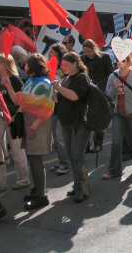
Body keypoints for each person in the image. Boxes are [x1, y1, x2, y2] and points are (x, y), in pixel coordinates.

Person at [3, 54, 54, 210]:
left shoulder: (44, 83)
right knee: (32, 159)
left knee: (36, 160)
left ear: (32, 67)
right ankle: (37, 190)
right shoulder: (31, 81)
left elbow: (48, 108)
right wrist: (8, 85)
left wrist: (35, 125)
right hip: (29, 123)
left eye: (26, 64)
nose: (24, 66)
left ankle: (41, 195)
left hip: (37, 125)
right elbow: (19, 101)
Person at [103, 53, 132, 179]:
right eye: (118, 60)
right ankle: (114, 171)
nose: (119, 62)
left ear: (129, 62)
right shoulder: (113, 76)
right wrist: (114, 90)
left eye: (123, 60)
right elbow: (108, 95)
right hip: (118, 113)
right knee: (116, 142)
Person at [54, 52, 91, 203]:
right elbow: (61, 98)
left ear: (75, 63)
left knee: (77, 155)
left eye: (66, 65)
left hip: (80, 123)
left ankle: (83, 189)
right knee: (71, 156)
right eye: (62, 65)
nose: (63, 67)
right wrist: (55, 92)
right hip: (66, 122)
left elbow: (75, 96)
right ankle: (77, 185)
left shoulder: (82, 77)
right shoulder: (66, 78)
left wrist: (59, 87)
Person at [0, 54, 30, 191]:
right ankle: (1, 183)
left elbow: (22, 102)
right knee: (0, 152)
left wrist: (8, 85)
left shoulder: (15, 80)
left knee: (17, 150)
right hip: (1, 117)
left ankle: (24, 179)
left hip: (14, 119)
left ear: (5, 64)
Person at [81, 39, 113, 153]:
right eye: (85, 51)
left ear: (94, 48)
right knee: (86, 118)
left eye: (89, 51)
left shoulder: (105, 57)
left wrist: (106, 90)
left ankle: (98, 143)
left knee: (99, 118)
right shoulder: (83, 59)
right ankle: (86, 145)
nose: (87, 54)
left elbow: (110, 74)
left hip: (101, 91)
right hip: (88, 91)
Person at [48, 43, 70, 175]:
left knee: (60, 136)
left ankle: (65, 164)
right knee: (56, 138)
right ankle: (62, 161)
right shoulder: (50, 67)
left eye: (52, 52)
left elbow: (63, 87)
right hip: (52, 106)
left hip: (62, 106)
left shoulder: (63, 69)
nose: (50, 54)